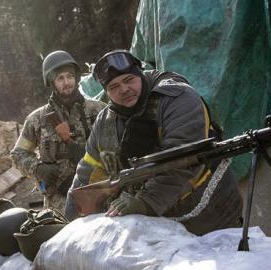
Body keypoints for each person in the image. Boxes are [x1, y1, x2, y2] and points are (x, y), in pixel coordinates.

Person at [65, 50, 243, 235]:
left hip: (211, 215)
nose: (124, 89)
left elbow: (184, 160)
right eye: (114, 86)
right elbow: (88, 171)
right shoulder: (104, 122)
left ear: (140, 74)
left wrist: (145, 201)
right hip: (157, 225)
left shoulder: (178, 98)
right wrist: (69, 222)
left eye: (128, 80)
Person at [11, 50, 106, 213]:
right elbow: (18, 154)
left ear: (76, 77)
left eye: (69, 76)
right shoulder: (37, 119)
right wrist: (38, 168)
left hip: (99, 197)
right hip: (58, 205)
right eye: (60, 78)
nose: (66, 82)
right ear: (51, 82)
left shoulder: (99, 110)